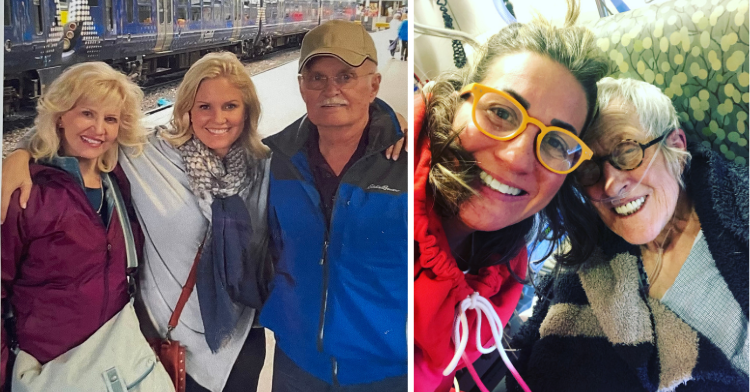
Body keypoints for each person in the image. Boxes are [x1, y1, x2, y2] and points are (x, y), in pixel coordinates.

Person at [2, 52, 271, 392]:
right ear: (187, 107)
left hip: (242, 341)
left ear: (247, 111)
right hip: (168, 349)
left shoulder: (265, 166)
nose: (218, 118)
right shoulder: (151, 155)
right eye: (204, 106)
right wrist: (19, 155)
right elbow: (78, 140)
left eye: (230, 106)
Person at [413, 1, 609, 390]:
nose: (516, 156)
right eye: (501, 112)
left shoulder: (506, 275)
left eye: (556, 142)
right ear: (456, 102)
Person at [507, 78, 749, 391]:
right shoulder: (582, 260)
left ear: (675, 145)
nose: (610, 185)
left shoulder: (738, 221)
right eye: (589, 168)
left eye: (627, 150)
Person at [259, 20, 408, 391]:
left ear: (374, 85)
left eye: (345, 76)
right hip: (297, 360)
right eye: (317, 78)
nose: (331, 90)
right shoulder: (277, 159)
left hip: (385, 369)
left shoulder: (412, 160)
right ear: (301, 87)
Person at [1, 62, 146, 388]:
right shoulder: (25, 193)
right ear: (60, 115)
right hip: (49, 369)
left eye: (110, 119)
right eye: (86, 114)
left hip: (112, 362)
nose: (99, 129)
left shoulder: (117, 181)